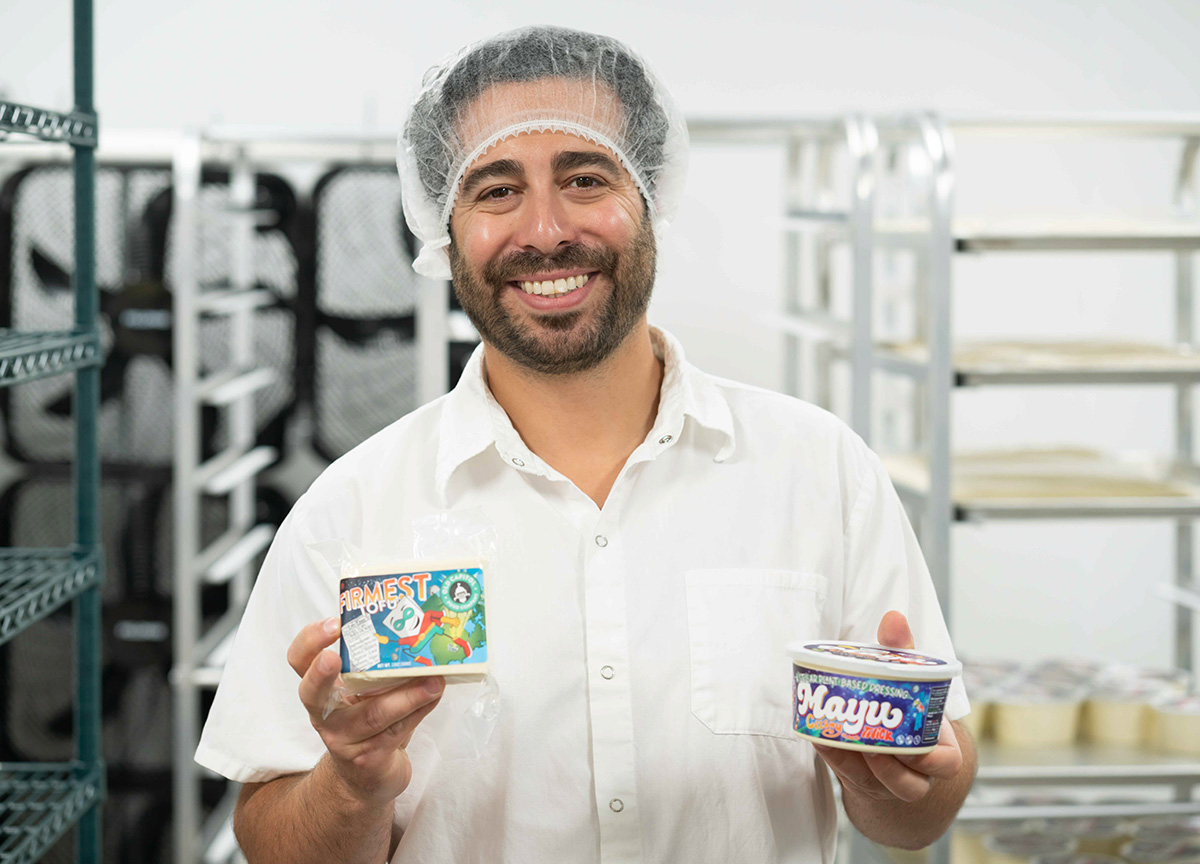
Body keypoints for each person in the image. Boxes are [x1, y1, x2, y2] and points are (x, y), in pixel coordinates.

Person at [196, 25, 976, 864]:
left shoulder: (819, 471)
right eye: (496, 190)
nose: (543, 230)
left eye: (585, 177)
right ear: (444, 229)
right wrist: (351, 781)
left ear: (649, 198)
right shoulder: (351, 512)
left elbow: (920, 814)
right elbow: (270, 834)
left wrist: (893, 784)